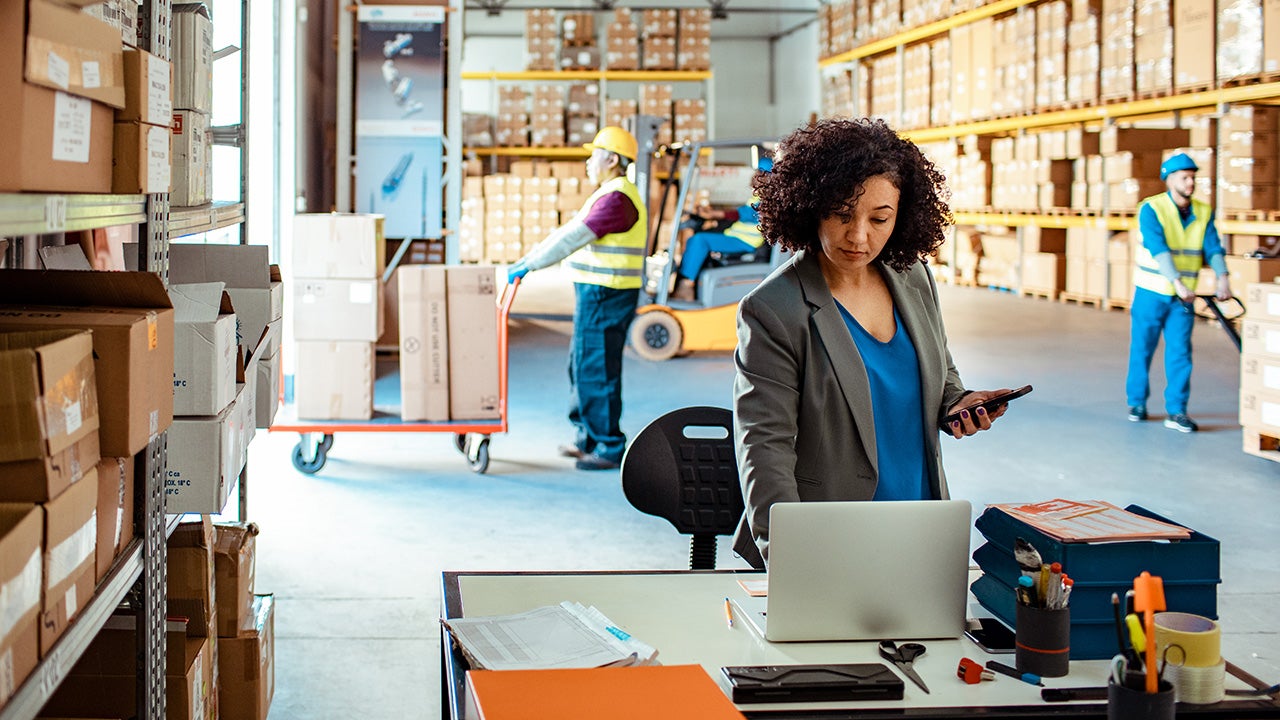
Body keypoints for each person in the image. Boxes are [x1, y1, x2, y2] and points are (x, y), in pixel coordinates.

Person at [730, 118, 1013, 569]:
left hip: (921, 520)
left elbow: (939, 371)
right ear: (809, 208)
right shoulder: (774, 310)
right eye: (842, 214)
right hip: (830, 535)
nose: (859, 236)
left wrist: (958, 402)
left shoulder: (912, 276)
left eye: (880, 218)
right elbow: (765, 447)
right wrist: (790, 557)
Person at [506, 127, 646, 470]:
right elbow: (568, 232)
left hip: (606, 293)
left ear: (612, 160)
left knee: (595, 368)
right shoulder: (609, 194)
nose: (587, 161)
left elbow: (572, 237)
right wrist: (530, 257)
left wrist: (530, 264)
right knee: (581, 365)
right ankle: (588, 438)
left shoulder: (617, 199)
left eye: (593, 154)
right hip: (599, 292)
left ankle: (609, 446)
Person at [1125, 152, 1232, 434]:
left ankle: (1177, 410)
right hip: (1151, 292)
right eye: (1185, 177)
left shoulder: (1203, 211)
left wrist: (1223, 278)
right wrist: (1178, 282)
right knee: (1142, 349)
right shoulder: (1152, 209)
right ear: (1169, 179)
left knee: (1181, 353)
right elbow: (1158, 248)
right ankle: (1137, 403)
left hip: (1181, 299)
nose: (1190, 182)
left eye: (1193, 177)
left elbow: (1213, 247)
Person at [671, 158, 772, 301]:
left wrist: (715, 214)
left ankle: (686, 286)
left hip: (746, 242)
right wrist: (711, 214)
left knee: (699, 240)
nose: (755, 175)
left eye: (761, 172)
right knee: (703, 236)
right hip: (738, 238)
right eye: (756, 171)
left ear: (769, 178)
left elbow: (746, 213)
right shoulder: (757, 197)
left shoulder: (768, 202)